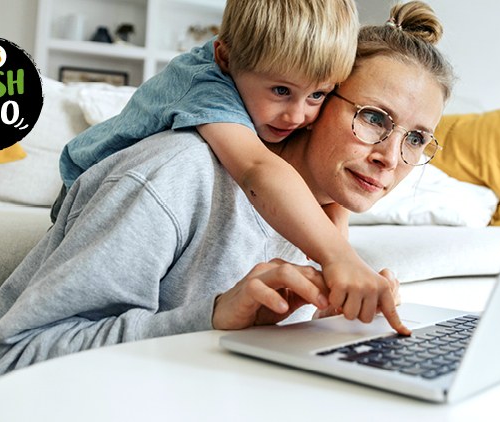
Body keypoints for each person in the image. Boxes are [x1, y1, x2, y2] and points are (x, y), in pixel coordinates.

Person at [0, 0, 455, 404]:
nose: (391, 157)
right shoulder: (173, 176)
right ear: (325, 97)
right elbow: (5, 366)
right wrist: (213, 316)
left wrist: (328, 329)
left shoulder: (321, 214)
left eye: (417, 139)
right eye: (374, 118)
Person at [54, 0, 397, 321]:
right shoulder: (206, 85)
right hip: (88, 192)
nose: (297, 115)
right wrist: (338, 257)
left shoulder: (261, 76)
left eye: (317, 94)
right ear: (224, 57)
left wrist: (338, 229)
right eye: (281, 91)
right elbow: (256, 169)